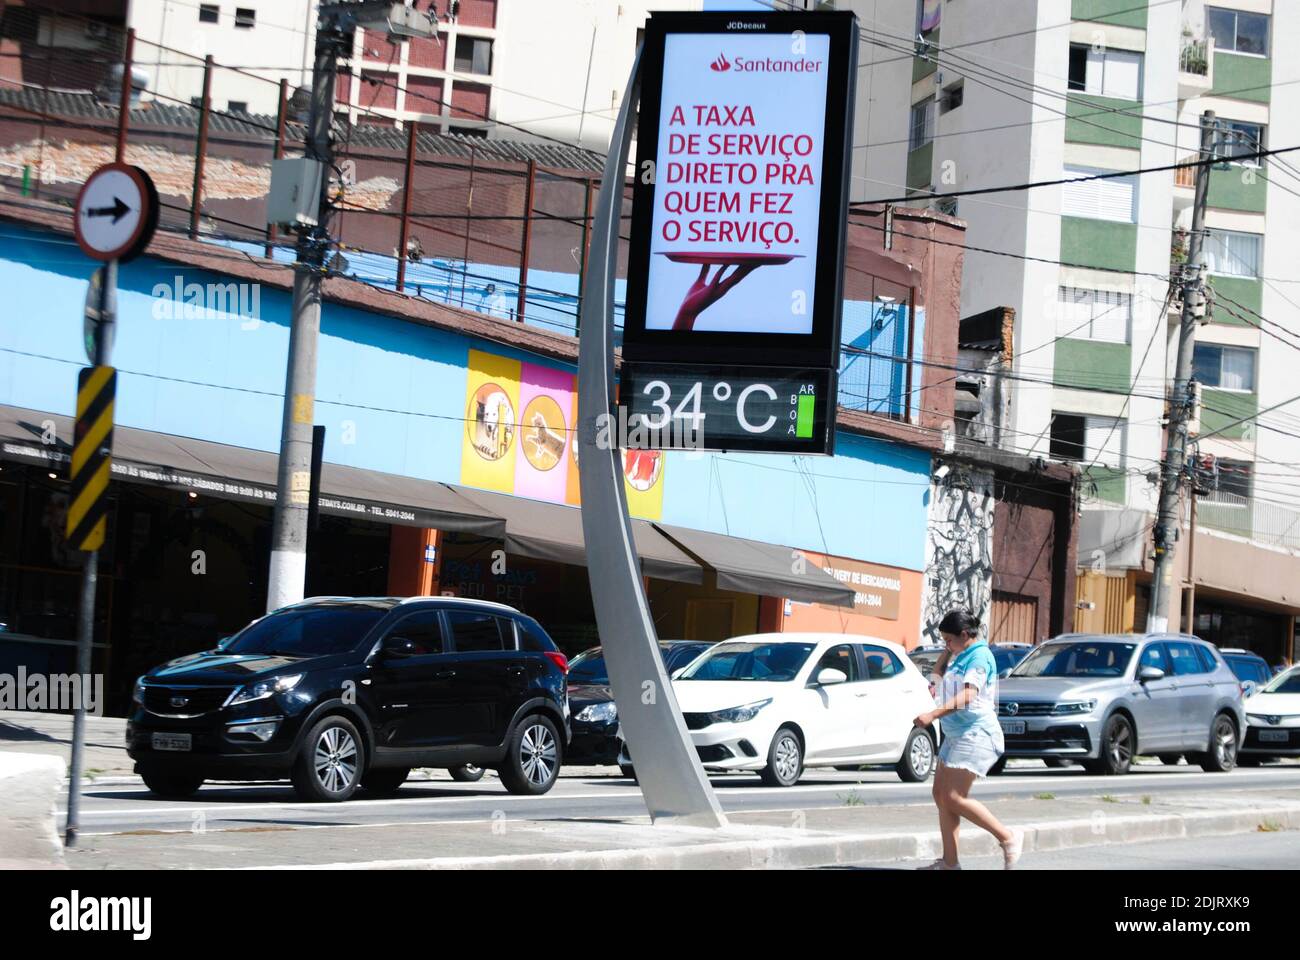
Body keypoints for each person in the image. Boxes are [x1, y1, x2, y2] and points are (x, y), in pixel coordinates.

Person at [912, 609, 1023, 870]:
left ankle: (1008, 837)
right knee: (940, 794)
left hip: (977, 733)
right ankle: (950, 863)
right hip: (956, 734)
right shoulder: (960, 655)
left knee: (953, 796)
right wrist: (948, 650)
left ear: (964, 634)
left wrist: (932, 715)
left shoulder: (980, 657)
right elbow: (937, 676)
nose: (946, 645)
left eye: (949, 640)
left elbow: (968, 696)